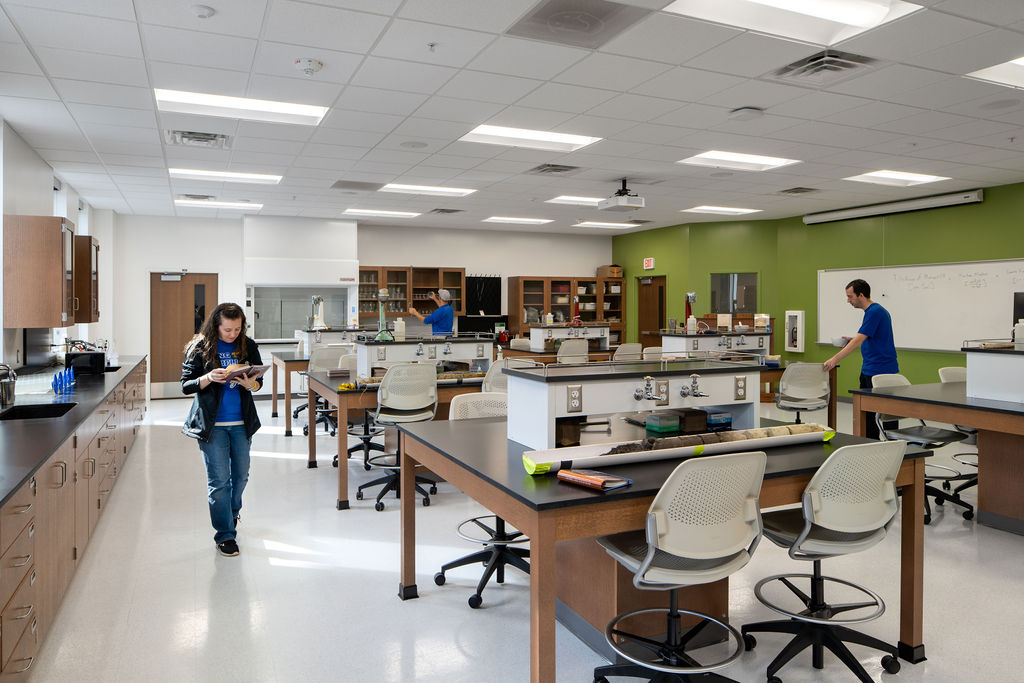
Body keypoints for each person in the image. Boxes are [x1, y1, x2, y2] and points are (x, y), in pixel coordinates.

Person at [181, 302, 263, 557]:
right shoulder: (200, 347)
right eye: (228, 330)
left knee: (240, 477)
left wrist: (252, 384)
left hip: (241, 423)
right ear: (216, 325)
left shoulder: (247, 345)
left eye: (237, 329)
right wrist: (208, 378)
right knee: (219, 482)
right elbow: (185, 385)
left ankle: (231, 512)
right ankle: (225, 534)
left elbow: (259, 381)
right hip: (212, 425)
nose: (233, 334)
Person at [823, 279, 898, 440]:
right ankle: (871, 446)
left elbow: (859, 340)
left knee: (885, 416)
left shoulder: (875, 312)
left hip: (880, 373)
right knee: (868, 416)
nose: (848, 301)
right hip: (870, 370)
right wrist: (852, 339)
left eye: (850, 297)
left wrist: (834, 359)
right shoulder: (872, 312)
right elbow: (867, 338)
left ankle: (891, 449)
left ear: (861, 295)